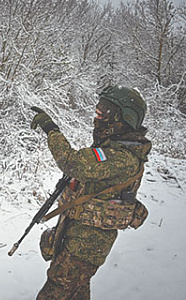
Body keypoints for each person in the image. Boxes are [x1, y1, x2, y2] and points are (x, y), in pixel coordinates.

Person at [30, 85, 152, 299]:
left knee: (56, 290)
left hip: (87, 244)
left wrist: (51, 129)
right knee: (76, 291)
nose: (97, 116)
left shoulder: (121, 156)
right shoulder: (115, 147)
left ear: (123, 118)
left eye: (104, 112)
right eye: (98, 110)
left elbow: (72, 162)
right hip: (79, 235)